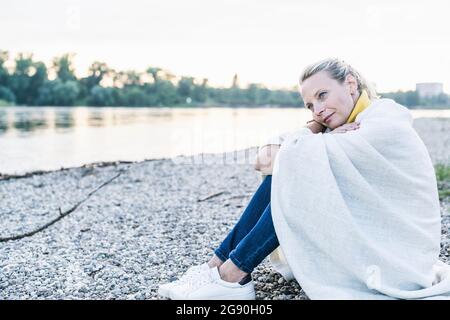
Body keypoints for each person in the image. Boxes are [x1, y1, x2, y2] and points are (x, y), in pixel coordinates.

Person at [158, 58, 450, 300]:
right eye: (309, 106)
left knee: (298, 169)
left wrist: (308, 143)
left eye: (322, 95)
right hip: (361, 233)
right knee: (291, 167)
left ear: (350, 84)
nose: (318, 110)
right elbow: (265, 160)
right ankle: (218, 265)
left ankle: (233, 275)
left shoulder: (385, 119)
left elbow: (288, 156)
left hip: (393, 247)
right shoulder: (333, 129)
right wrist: (315, 129)